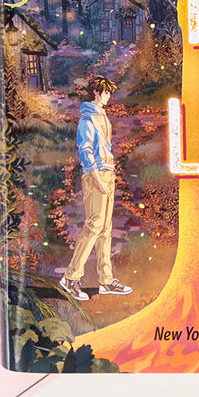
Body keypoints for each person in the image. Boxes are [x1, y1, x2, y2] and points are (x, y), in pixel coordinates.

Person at [59, 75, 133, 300]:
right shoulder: (88, 119)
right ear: (96, 93)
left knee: (105, 229)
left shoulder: (102, 116)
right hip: (95, 176)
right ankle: (70, 278)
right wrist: (99, 180)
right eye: (106, 92)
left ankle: (106, 280)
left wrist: (109, 175)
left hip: (107, 173)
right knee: (94, 226)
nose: (109, 96)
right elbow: (85, 151)